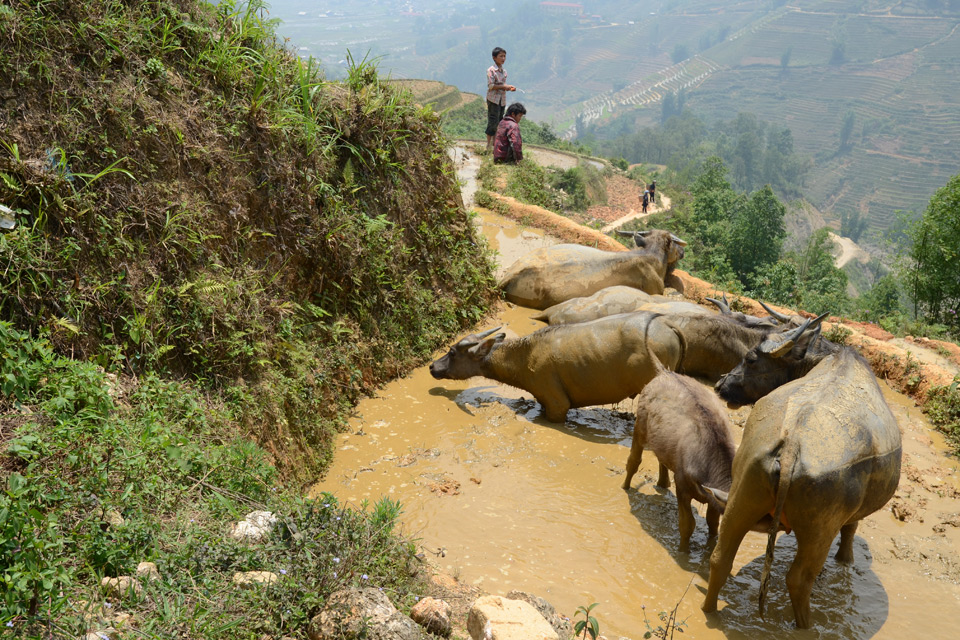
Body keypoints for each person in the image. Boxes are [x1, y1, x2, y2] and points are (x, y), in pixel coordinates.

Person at [486, 47, 516, 153]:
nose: (503, 58)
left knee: (499, 121)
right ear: (494, 58)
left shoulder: (504, 72)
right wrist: (504, 87)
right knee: (492, 121)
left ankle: (495, 144)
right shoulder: (491, 71)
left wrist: (509, 88)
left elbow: (502, 86)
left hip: (501, 100)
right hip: (493, 99)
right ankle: (488, 145)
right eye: (501, 56)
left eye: (504, 56)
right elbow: (491, 86)